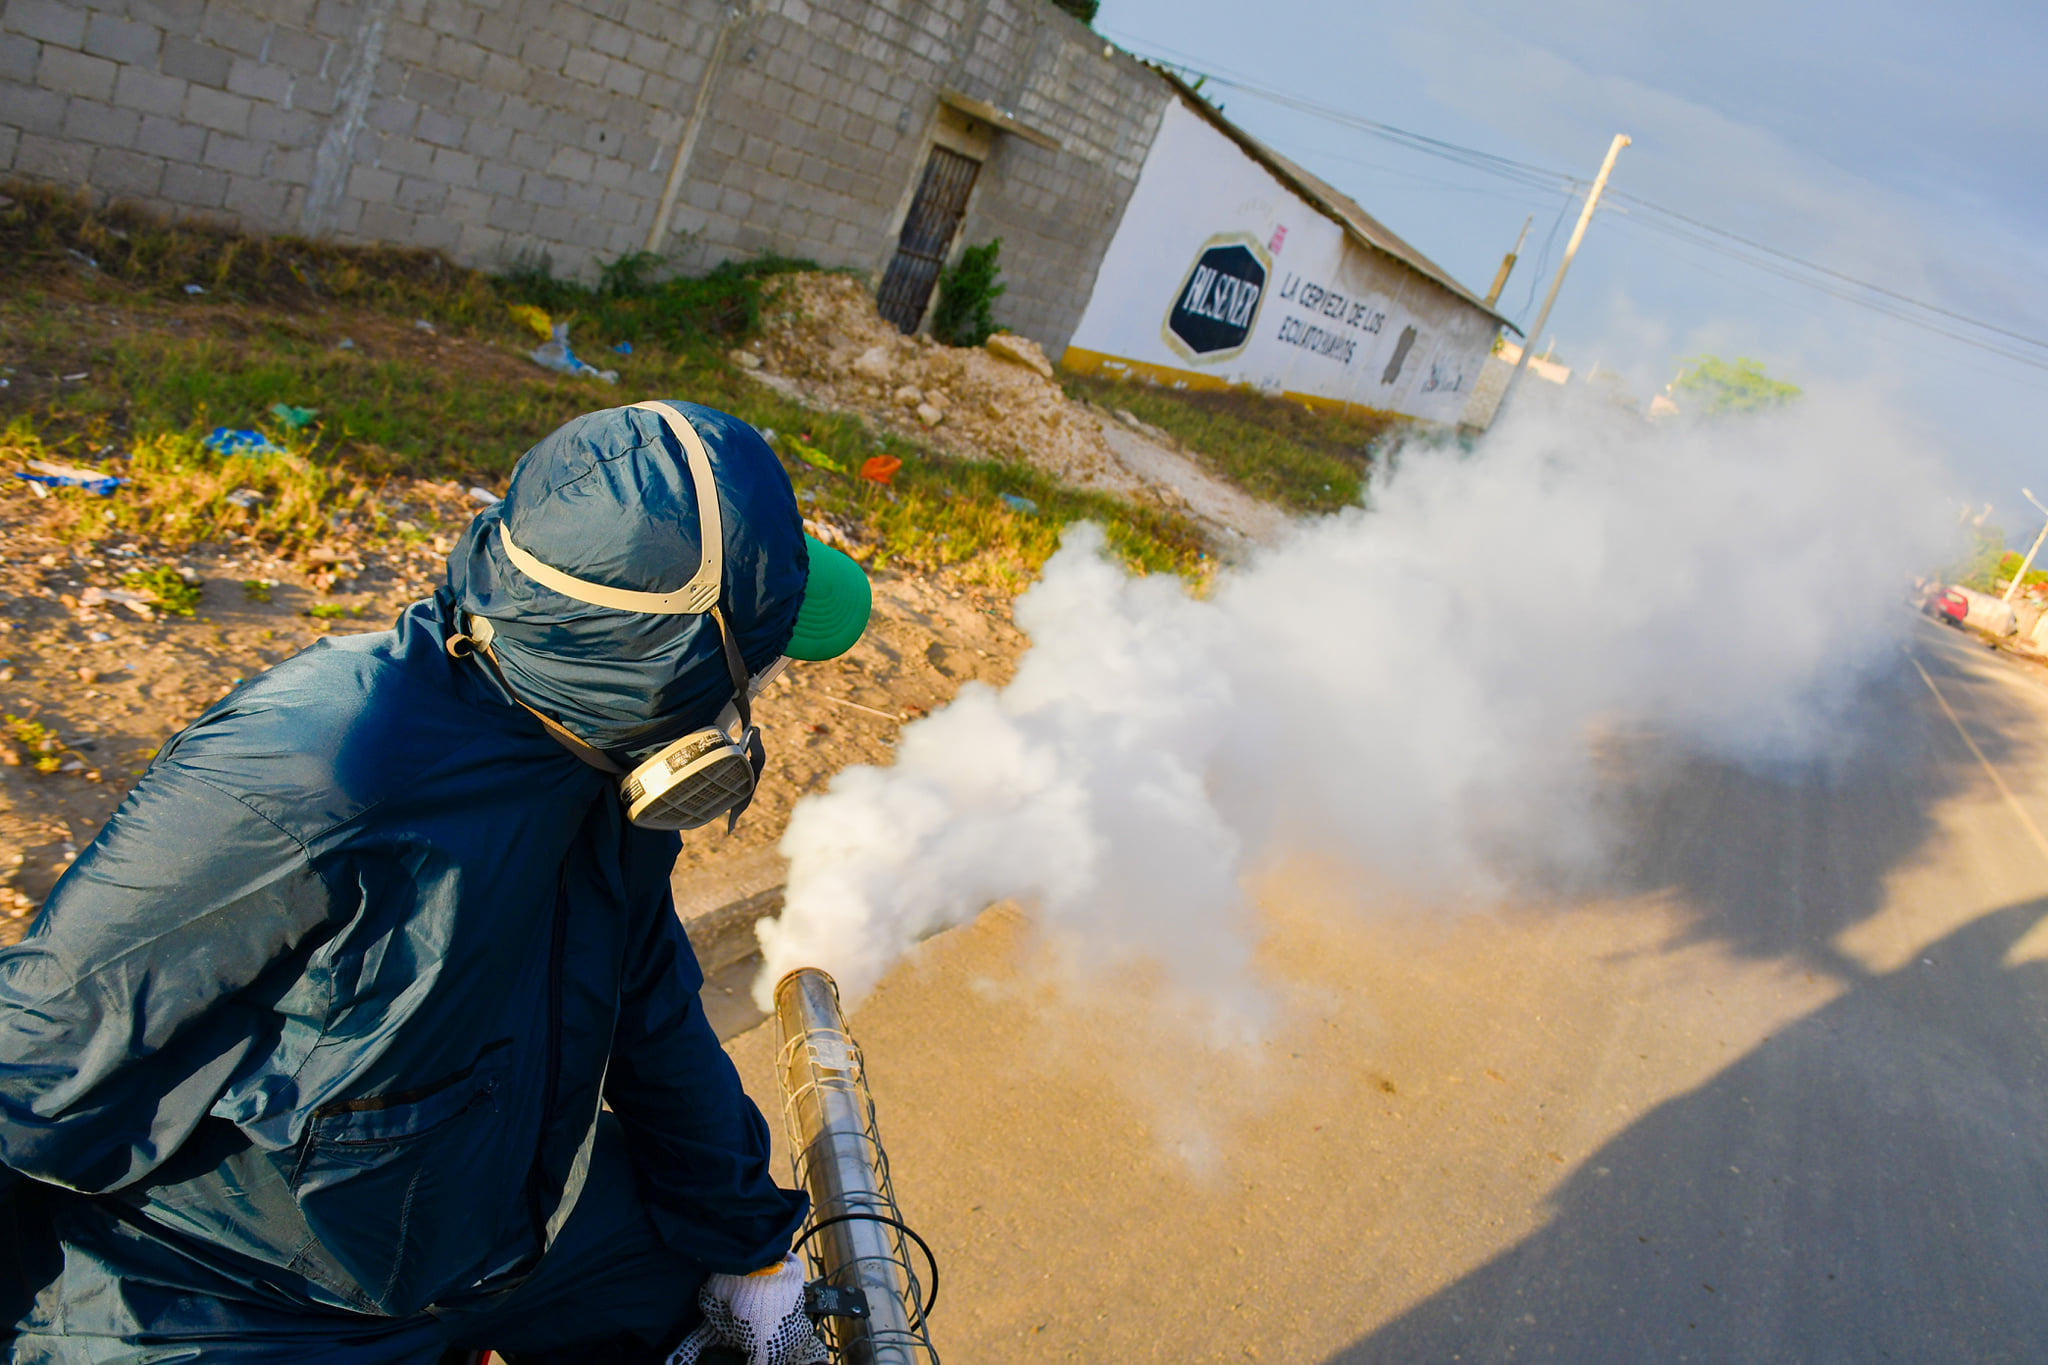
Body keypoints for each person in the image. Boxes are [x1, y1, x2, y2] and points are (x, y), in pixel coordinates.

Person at [0, 401, 872, 1365]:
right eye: (760, 666)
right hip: (231, 1295)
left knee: (698, 1287)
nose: (755, 702)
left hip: (493, 1227)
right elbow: (34, 1057)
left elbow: (650, 1009)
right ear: (670, 672)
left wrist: (751, 1250)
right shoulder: (315, 773)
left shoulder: (601, 761)